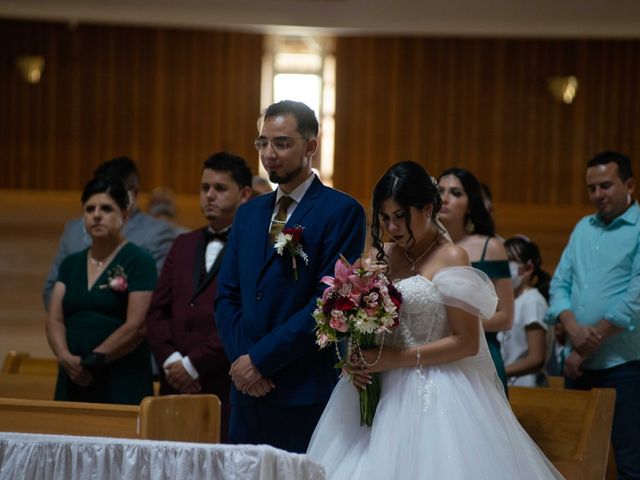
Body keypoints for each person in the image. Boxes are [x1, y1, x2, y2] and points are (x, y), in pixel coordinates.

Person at [307, 161, 562, 479]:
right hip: (375, 385)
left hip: (434, 388)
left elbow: (466, 342)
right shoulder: (378, 256)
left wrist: (395, 359)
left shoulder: (452, 257)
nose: (393, 228)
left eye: (401, 216)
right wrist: (355, 359)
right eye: (385, 218)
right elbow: (357, 317)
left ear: (427, 208)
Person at [215, 100, 366, 453]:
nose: (269, 153)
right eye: (263, 143)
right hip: (246, 392)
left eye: (281, 143)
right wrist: (244, 363)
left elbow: (328, 303)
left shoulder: (341, 211)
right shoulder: (249, 214)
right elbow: (228, 296)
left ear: (311, 146)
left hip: (302, 389)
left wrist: (261, 360)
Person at [545, 151, 640, 479]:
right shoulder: (583, 228)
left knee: (629, 459)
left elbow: (635, 298)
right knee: (577, 458)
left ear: (628, 184)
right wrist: (571, 325)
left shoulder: (639, 228)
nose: (597, 195)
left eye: (605, 186)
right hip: (579, 365)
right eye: (591, 188)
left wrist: (583, 347)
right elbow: (559, 284)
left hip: (624, 365)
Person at [146, 152, 253, 442]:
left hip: (222, 383)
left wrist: (192, 366)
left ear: (244, 194)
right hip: (173, 386)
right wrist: (172, 363)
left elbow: (241, 318)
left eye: (220, 188)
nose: (209, 196)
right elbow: (157, 312)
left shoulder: (253, 248)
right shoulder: (183, 243)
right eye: (205, 188)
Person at [45, 176, 157, 404]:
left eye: (106, 209)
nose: (96, 215)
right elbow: (54, 319)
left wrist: (94, 360)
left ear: (124, 215)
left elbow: (136, 326)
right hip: (72, 375)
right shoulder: (70, 264)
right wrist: (66, 359)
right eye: (89, 209)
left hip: (120, 377)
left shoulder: (140, 260)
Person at [43, 156, 176, 310]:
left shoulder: (156, 233)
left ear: (135, 193)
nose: (105, 195)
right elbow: (50, 289)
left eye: (116, 192)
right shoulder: (74, 230)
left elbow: (154, 297)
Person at [437, 167, 514, 392]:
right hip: (434, 352)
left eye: (456, 193)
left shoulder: (491, 247)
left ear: (471, 204)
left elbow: (506, 317)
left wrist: (460, 327)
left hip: (482, 350)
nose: (445, 198)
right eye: (440, 191)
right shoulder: (424, 249)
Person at [499, 235, 551, 387]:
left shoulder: (532, 301)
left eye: (508, 261)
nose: (502, 267)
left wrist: (498, 372)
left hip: (526, 387)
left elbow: (536, 358)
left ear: (528, 268)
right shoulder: (505, 301)